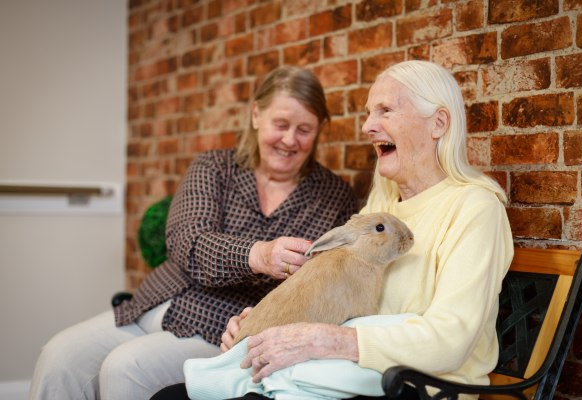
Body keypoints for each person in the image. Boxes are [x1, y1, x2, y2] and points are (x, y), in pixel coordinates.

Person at [150, 59, 514, 400]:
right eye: (369, 113)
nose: (368, 126)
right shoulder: (383, 204)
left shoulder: (476, 208)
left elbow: (451, 339)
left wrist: (327, 341)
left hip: (417, 387)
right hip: (349, 375)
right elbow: (329, 292)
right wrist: (263, 325)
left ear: (438, 123)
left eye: (385, 110)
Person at [28, 66, 358, 400]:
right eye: (281, 124)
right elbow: (188, 240)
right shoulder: (214, 167)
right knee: (58, 358)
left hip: (221, 325)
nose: (290, 140)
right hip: (155, 303)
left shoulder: (333, 198)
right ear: (256, 115)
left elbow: (321, 285)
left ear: (318, 131)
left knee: (126, 368)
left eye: (304, 129)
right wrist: (258, 255)